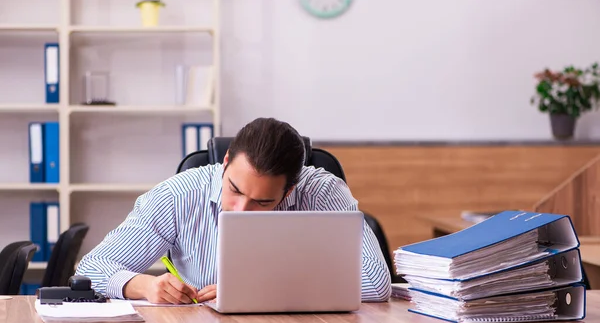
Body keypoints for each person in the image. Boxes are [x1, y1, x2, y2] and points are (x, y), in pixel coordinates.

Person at [75, 118, 391, 304]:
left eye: (263, 202)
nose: (240, 210)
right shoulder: (180, 195)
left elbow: (377, 281)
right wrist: (142, 285)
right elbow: (91, 268)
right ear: (225, 162)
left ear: (289, 190)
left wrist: (256, 291)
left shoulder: (321, 191)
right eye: (235, 190)